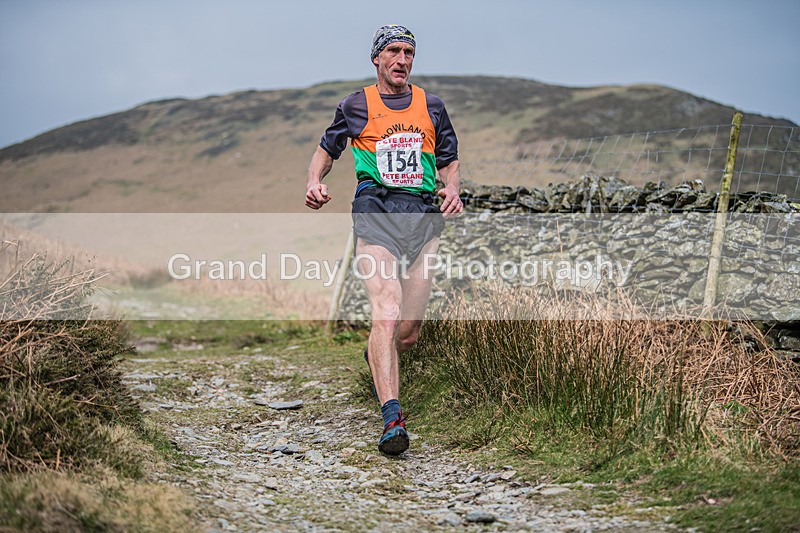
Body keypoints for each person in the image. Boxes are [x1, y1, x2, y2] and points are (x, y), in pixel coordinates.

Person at [305, 24, 462, 456]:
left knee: (406, 333)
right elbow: (327, 148)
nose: (402, 59)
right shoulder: (355, 105)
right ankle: (392, 418)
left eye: (409, 52)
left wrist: (452, 188)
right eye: (393, 51)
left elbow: (448, 161)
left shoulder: (432, 105)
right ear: (377, 58)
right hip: (375, 210)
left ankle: (379, 356)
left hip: (422, 215)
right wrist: (314, 180)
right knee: (387, 311)